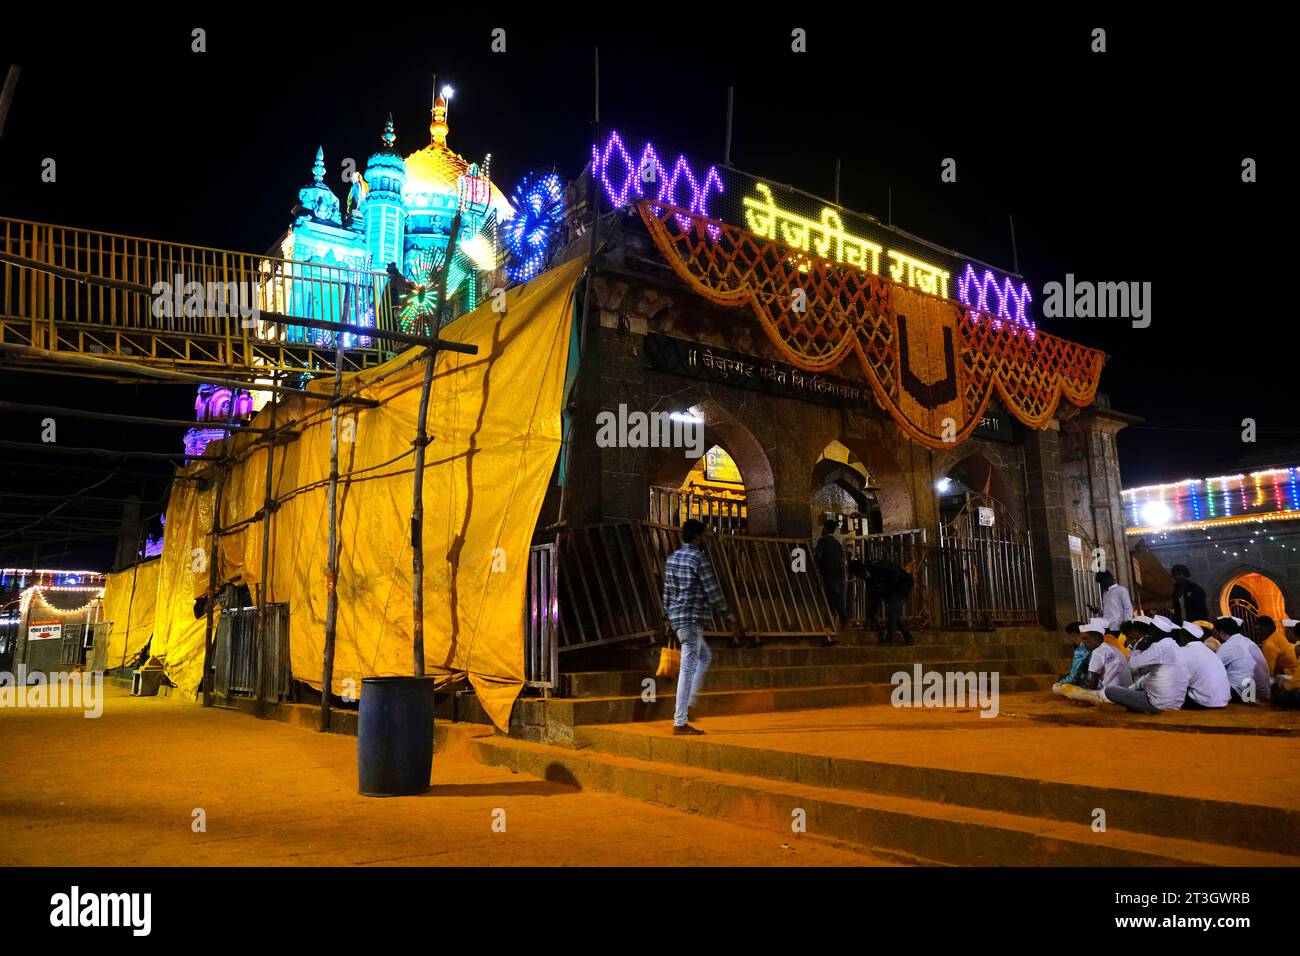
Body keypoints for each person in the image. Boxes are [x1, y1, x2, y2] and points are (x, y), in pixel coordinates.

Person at [662, 519, 739, 735]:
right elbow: (712, 591)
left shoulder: (672, 559)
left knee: (704, 656)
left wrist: (666, 619)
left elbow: (667, 594)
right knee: (688, 667)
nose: (704, 539)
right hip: (692, 618)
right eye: (703, 535)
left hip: (678, 619)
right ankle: (680, 719)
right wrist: (729, 615)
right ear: (697, 537)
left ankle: (690, 703)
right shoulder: (698, 558)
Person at [1100, 616, 1189, 714]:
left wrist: (1137, 649)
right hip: (1176, 704)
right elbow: (1150, 676)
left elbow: (1132, 664)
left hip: (1158, 705)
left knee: (1110, 690)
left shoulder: (1158, 647)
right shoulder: (1174, 646)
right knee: (1139, 686)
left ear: (1154, 632)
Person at [848, 557, 914, 645]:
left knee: (892, 609)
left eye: (858, 575)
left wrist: (886, 590)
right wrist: (870, 614)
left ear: (860, 570)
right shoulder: (868, 579)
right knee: (893, 613)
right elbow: (873, 598)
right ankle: (908, 636)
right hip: (892, 589)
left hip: (902, 584)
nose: (859, 577)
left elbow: (895, 574)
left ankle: (890, 639)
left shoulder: (877, 566)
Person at [1172, 620, 1230, 709]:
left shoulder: (1183, 651)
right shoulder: (1207, 650)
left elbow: (1178, 680)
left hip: (1205, 702)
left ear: (1184, 637)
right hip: (1223, 700)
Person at [1214, 616, 1270, 704]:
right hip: (1262, 693)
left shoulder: (1228, 646)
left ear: (1222, 633)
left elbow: (1211, 668)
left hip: (1243, 694)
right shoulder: (1250, 642)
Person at [813, 518, 844, 647]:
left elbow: (818, 556)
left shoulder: (823, 541)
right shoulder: (837, 544)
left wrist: (818, 568)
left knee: (825, 605)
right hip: (837, 577)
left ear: (825, 528)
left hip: (827, 577)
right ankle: (831, 633)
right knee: (832, 606)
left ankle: (826, 635)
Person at [1052, 621, 1096, 700]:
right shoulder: (1103, 645)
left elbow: (1074, 677)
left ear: (1075, 636)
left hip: (1091, 687)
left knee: (1056, 687)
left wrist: (1061, 682)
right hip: (1108, 685)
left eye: (1071, 637)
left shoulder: (1081, 650)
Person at [1257, 615, 1299, 685]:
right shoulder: (1278, 638)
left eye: (1287, 632)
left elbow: (1268, 671)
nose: (1286, 635)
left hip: (1292, 677)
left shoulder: (1270, 644)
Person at [1096, 570, 1134, 635]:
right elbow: (1110, 611)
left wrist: (1126, 623)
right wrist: (1098, 611)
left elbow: (1128, 608)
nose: (1101, 585)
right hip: (1107, 627)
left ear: (1107, 579)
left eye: (1102, 582)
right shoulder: (1105, 594)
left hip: (1119, 628)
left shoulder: (1121, 590)